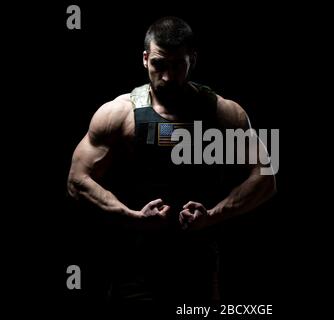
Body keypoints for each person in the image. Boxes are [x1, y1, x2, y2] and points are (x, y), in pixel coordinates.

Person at [67, 16, 276, 302]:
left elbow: (266, 176)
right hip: (135, 264)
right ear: (144, 59)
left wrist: (212, 216)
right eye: (158, 65)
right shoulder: (118, 115)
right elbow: (77, 181)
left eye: (177, 65)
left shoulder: (224, 114)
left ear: (192, 59)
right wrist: (133, 218)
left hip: (198, 263)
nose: (167, 76)